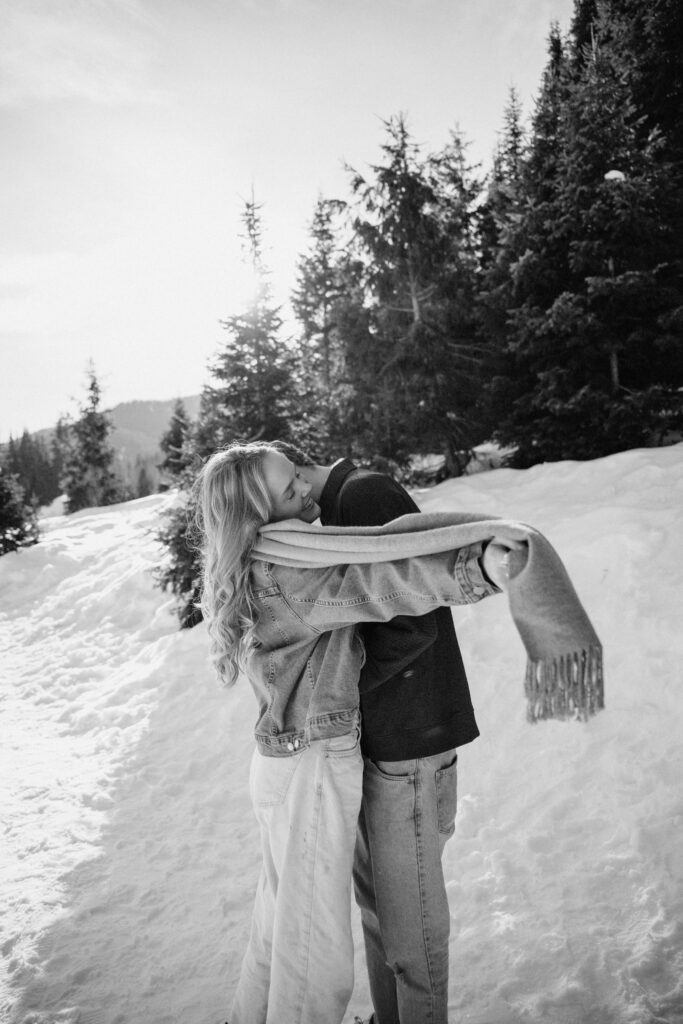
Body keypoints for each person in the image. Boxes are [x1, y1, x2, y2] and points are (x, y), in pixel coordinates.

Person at [194, 442, 515, 1024]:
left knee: (279, 929)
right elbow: (377, 586)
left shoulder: (275, 549)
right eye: (288, 491)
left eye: (297, 475)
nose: (306, 491)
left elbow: (370, 570)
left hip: (289, 763)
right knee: (312, 957)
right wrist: (476, 568)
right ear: (257, 515)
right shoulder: (286, 570)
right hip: (310, 766)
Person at [281, 443, 478, 1024]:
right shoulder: (338, 504)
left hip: (410, 742)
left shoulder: (363, 494)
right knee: (378, 913)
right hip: (379, 743)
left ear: (294, 474)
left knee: (410, 930)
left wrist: (336, 681)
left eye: (275, 501)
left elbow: (413, 613)